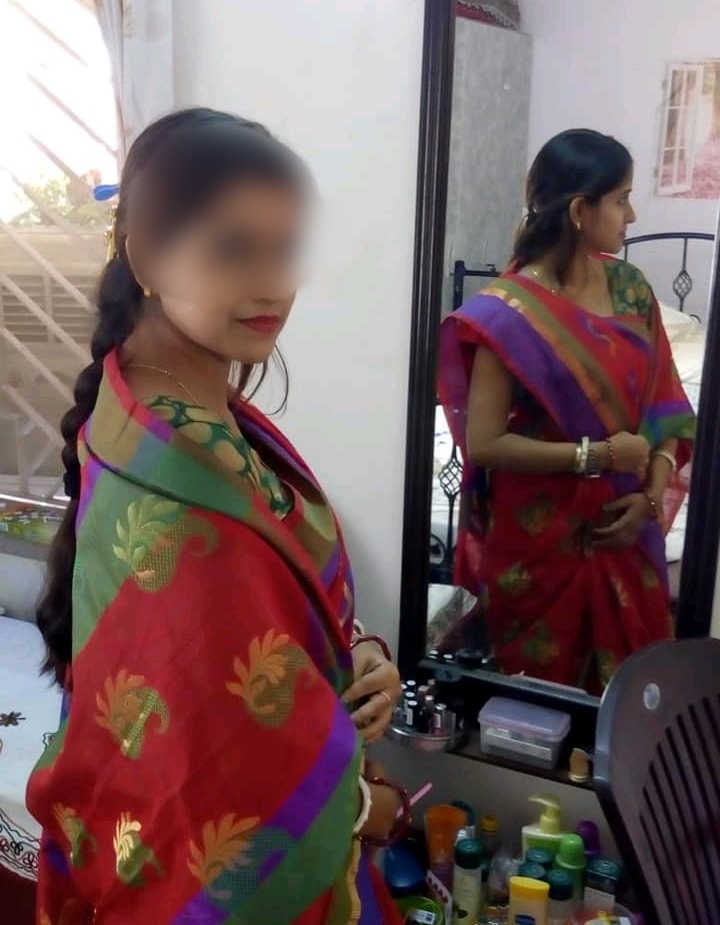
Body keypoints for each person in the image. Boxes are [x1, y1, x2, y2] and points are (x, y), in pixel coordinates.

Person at [28, 108, 405, 924]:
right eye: (234, 249)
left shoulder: (182, 406)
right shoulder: (174, 495)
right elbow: (216, 785)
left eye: (285, 248)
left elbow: (275, 607)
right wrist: (367, 807)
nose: (273, 284)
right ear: (147, 258)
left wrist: (357, 652)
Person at [438, 129, 695, 691]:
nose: (632, 214)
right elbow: (485, 443)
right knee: (538, 699)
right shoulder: (507, 312)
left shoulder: (631, 290)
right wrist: (598, 456)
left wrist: (650, 499)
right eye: (622, 199)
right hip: (540, 541)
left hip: (628, 528)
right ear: (581, 211)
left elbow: (665, 407)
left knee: (635, 699)